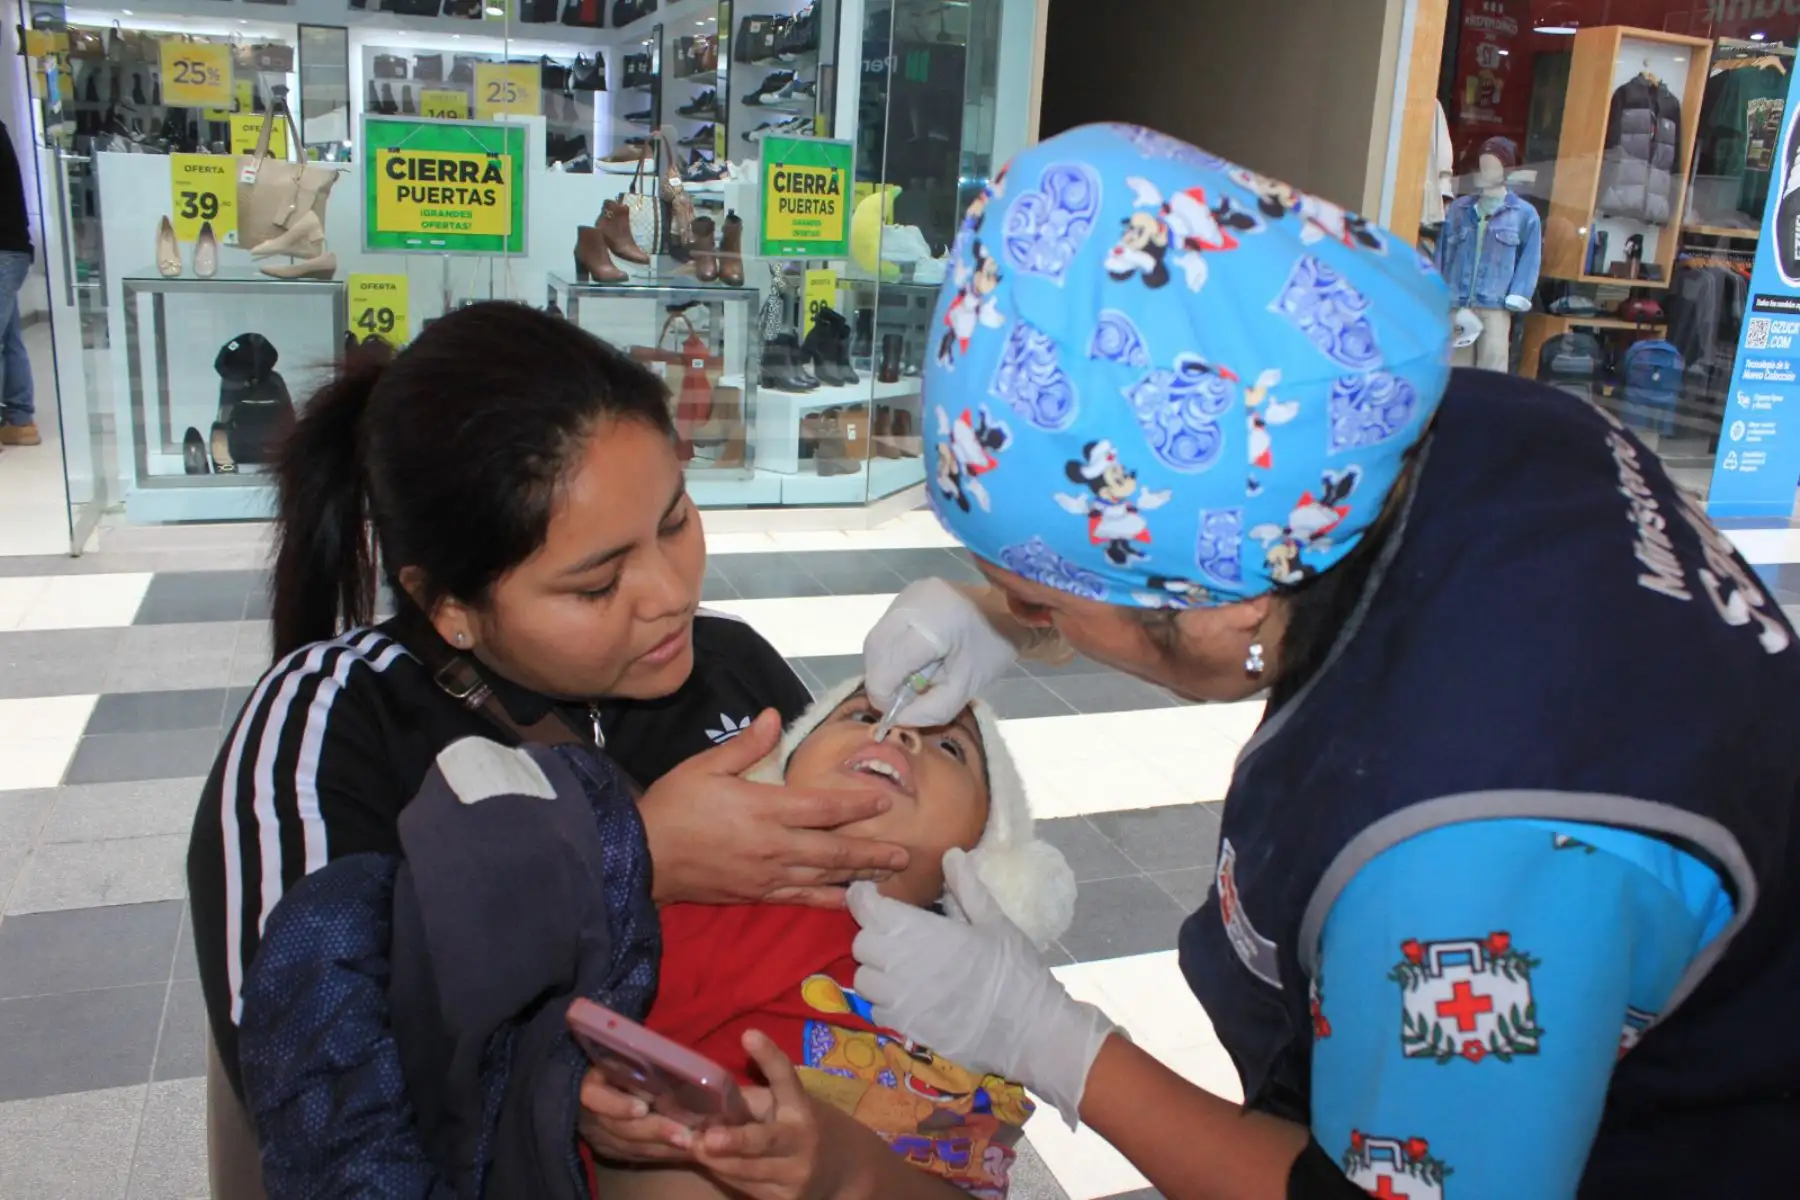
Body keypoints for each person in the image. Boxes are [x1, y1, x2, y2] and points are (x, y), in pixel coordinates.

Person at [837, 124, 1800, 1199]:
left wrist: (1051, 1037)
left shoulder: (1461, 873)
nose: (1030, 621)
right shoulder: (1472, 426)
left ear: (1224, 600)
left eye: (1042, 600)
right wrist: (1005, 617)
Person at [186, 302, 1065, 1198]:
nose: (672, 596)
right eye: (598, 582)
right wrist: (633, 858)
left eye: (677, 521)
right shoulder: (335, 722)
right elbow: (322, 1082)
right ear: (448, 603)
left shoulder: (734, 669)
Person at [587, 680, 1073, 1199]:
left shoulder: (985, 995)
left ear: (984, 848)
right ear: (783, 770)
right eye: (865, 717)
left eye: (951, 747)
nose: (901, 733)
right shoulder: (702, 905)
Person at [0, 118, 38, 447]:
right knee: (9, 336)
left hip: (3, 251)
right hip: (13, 248)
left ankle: (18, 418)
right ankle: (20, 420)